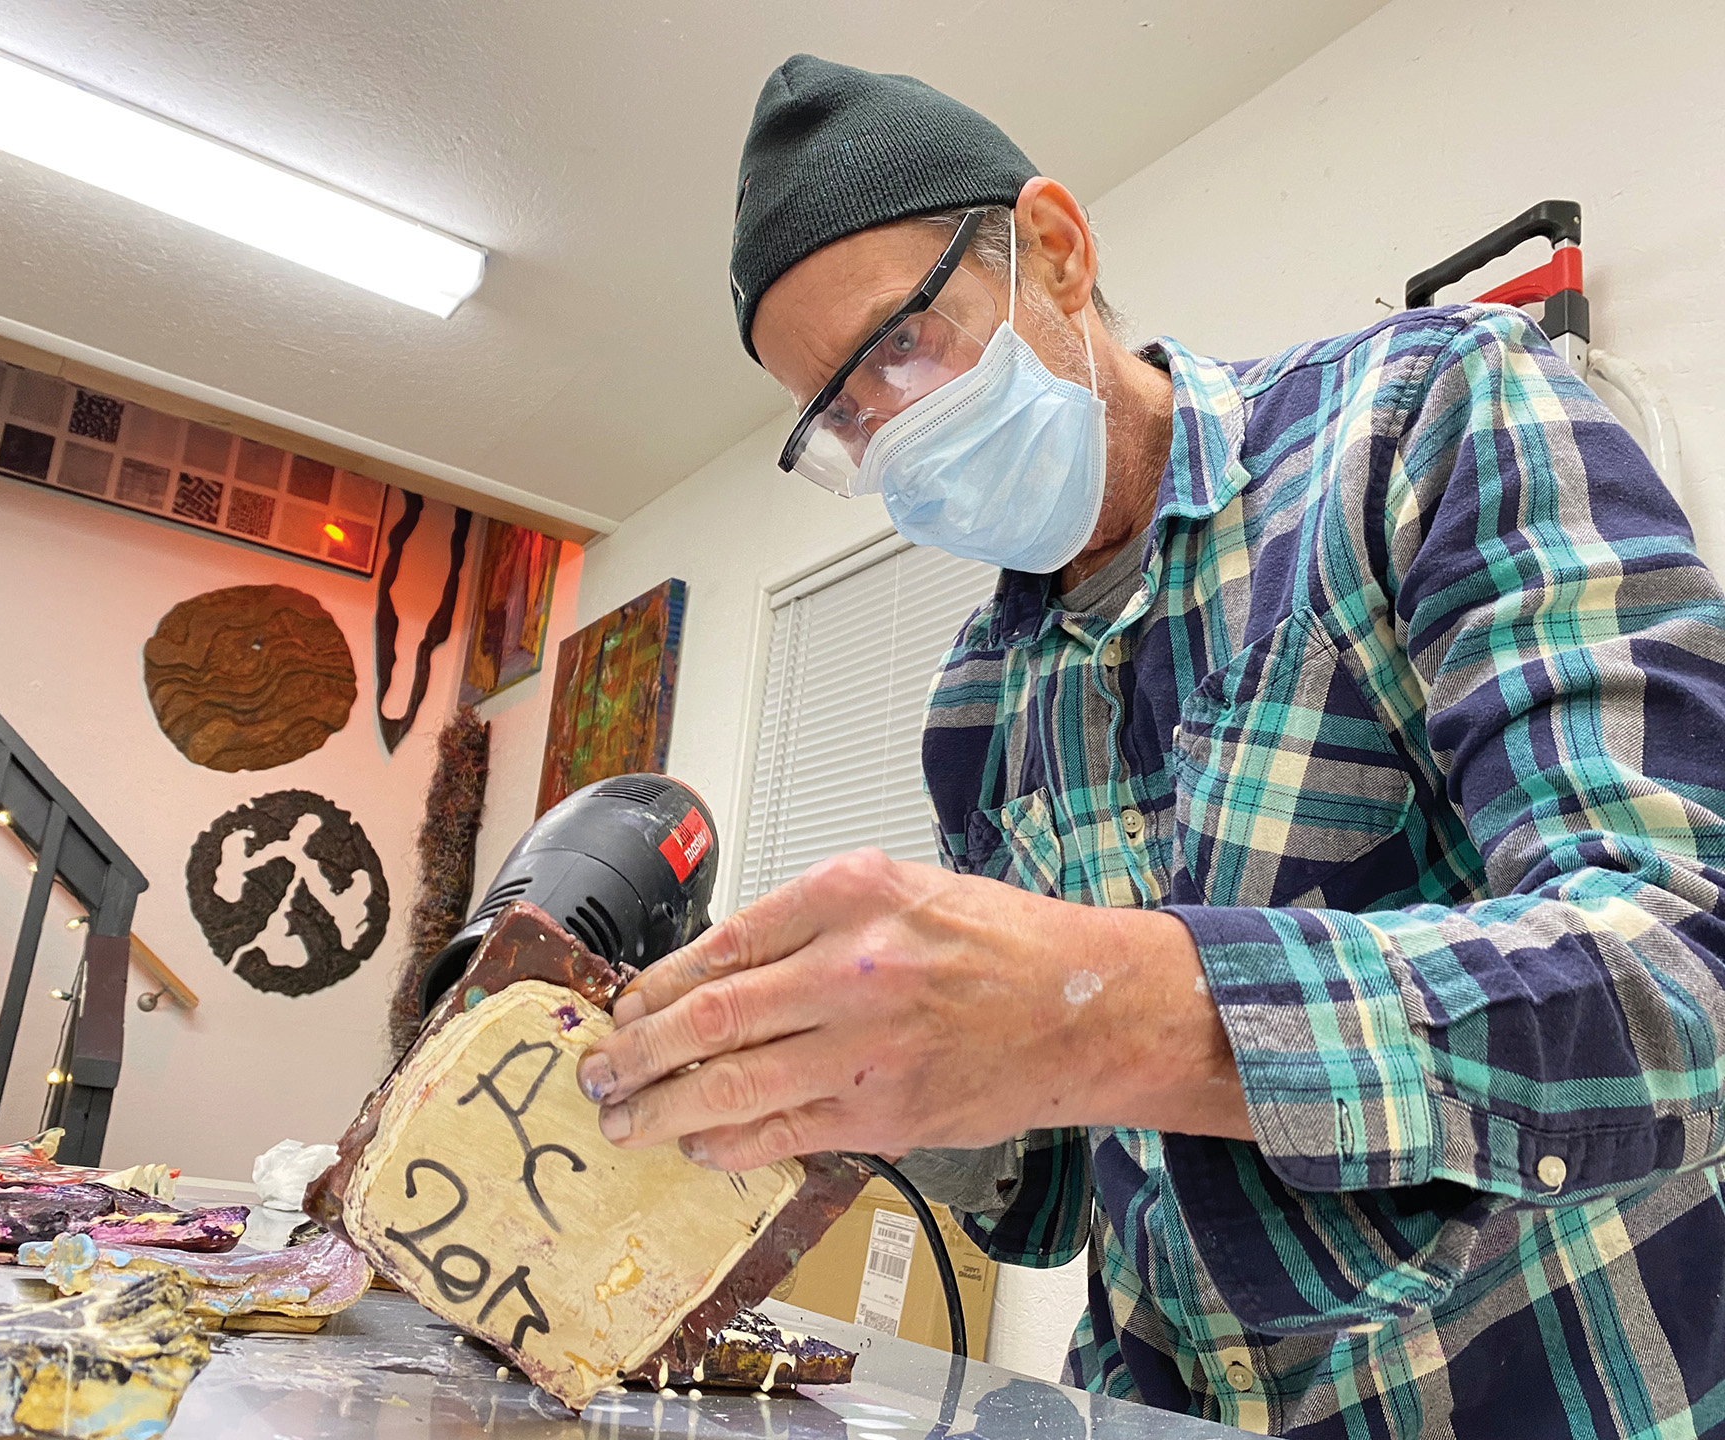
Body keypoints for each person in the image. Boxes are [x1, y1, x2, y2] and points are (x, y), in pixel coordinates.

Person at [576, 54, 1725, 1438]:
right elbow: (1059, 1196)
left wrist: (1107, 1004)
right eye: (842, 419)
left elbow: (1680, 974)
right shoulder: (978, 701)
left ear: (1054, 253)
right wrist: (854, 1079)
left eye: (899, 348)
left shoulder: (1427, 421)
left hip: (1545, 1389)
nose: (894, 434)